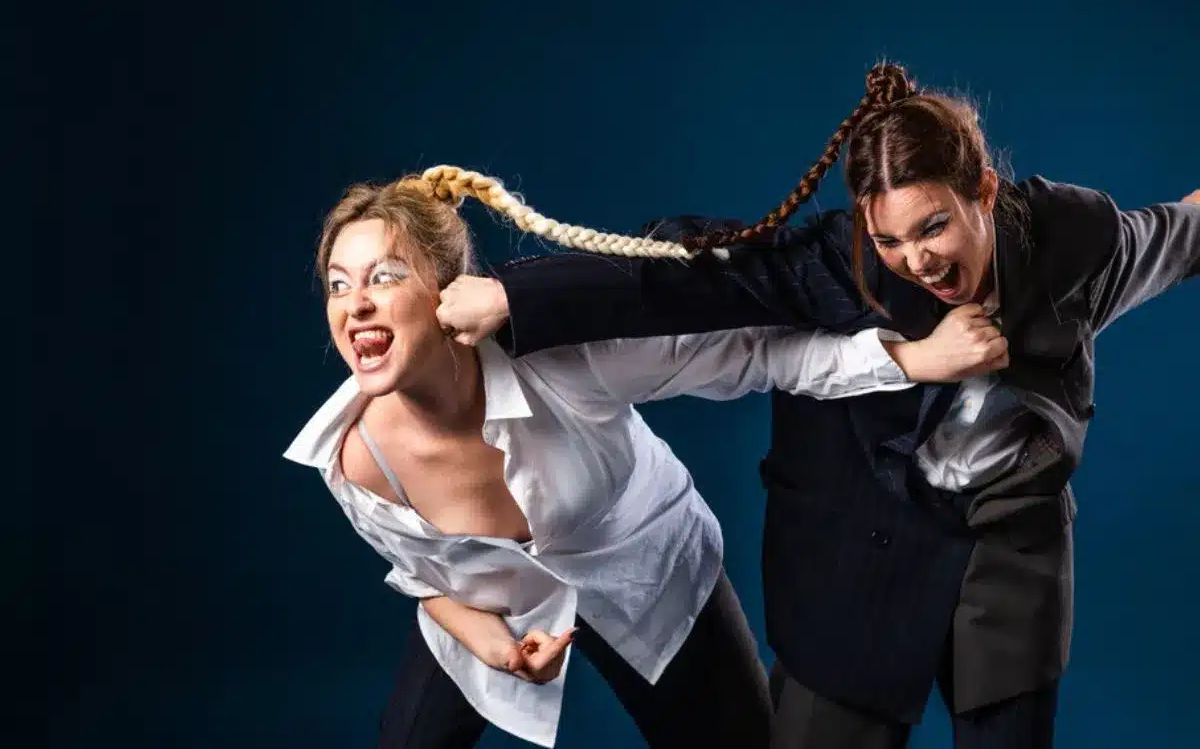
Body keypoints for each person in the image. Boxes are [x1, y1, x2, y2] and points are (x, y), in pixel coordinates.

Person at [435, 63, 1200, 748]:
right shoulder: (844, 261)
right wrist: (515, 295)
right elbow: (696, 282)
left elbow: (1177, 233)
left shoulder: (1073, 240)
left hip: (1009, 554)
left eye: (933, 226)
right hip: (858, 554)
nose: (918, 259)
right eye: (893, 239)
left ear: (984, 195)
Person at [281, 168, 993, 749]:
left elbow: (754, 351)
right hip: (494, 602)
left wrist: (913, 358)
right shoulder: (355, 456)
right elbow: (425, 578)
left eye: (384, 277)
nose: (355, 305)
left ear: (447, 291)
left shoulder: (563, 362)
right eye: (338, 284)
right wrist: (496, 649)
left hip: (652, 577)